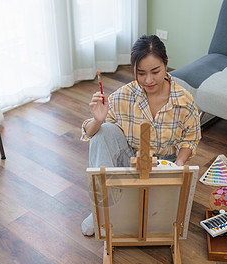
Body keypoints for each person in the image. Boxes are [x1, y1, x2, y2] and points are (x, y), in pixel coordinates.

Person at [80, 34, 201, 236]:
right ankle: (102, 210)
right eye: (141, 73)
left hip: (163, 166)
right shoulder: (123, 95)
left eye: (155, 71)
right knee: (103, 132)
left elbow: (191, 137)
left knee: (155, 219)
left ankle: (132, 203)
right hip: (132, 160)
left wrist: (180, 162)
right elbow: (90, 133)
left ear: (166, 64)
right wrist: (97, 120)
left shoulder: (183, 99)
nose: (148, 80)